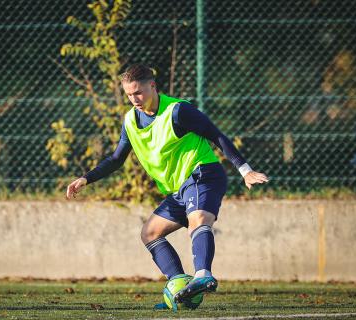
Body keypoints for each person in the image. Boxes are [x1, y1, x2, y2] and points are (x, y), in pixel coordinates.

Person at [66, 64, 269, 305]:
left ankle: (203, 275)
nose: (134, 99)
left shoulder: (178, 110)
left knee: (198, 219)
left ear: (152, 86)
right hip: (179, 188)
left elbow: (216, 135)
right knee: (149, 233)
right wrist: (86, 178)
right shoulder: (130, 120)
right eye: (129, 94)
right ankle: (179, 288)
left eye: (138, 92)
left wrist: (245, 170)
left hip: (202, 173)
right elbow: (116, 158)